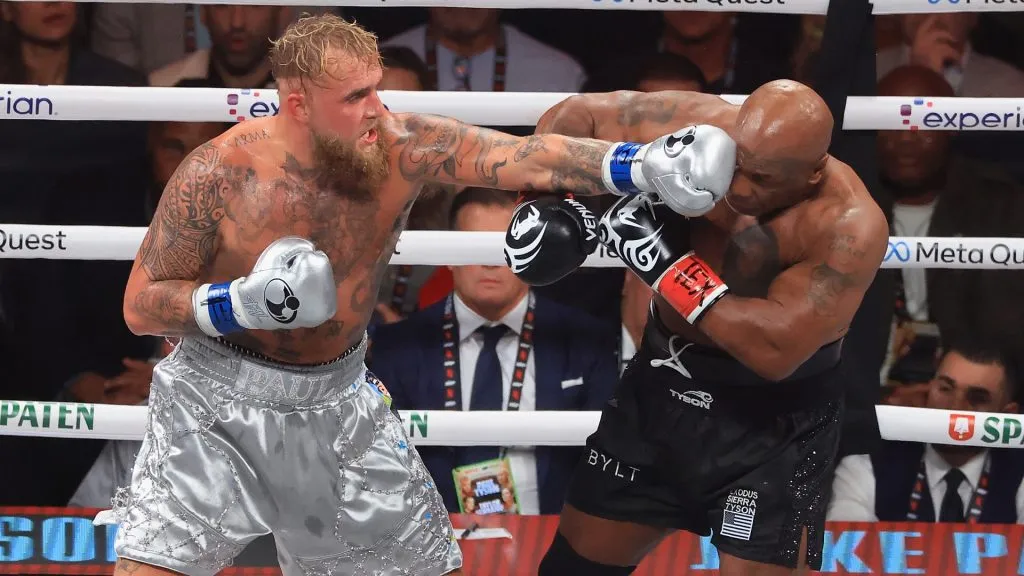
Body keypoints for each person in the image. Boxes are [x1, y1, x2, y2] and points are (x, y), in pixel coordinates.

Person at [111, 13, 717, 576]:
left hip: (338, 402)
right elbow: (141, 305)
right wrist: (243, 303)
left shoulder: (401, 146)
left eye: (374, 89)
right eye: (354, 98)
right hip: (215, 404)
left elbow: (517, 156)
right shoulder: (219, 172)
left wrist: (638, 164)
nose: (377, 109)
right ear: (298, 103)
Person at [503, 81, 888, 575]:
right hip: (662, 392)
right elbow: (573, 116)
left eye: (763, 179)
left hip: (772, 430)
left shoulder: (848, 224)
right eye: (738, 164)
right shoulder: (698, 125)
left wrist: (664, 265)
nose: (741, 187)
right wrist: (542, 204)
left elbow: (775, 349)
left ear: (814, 172)